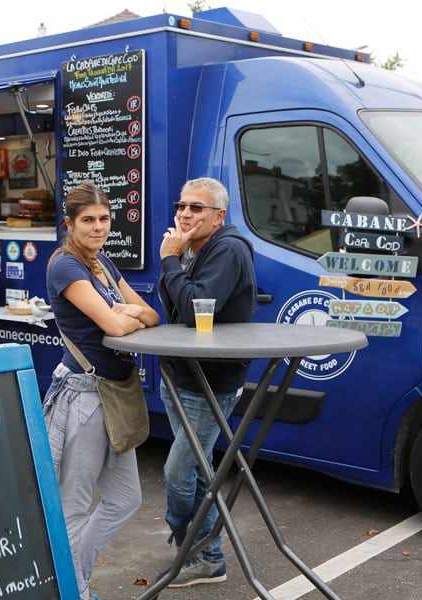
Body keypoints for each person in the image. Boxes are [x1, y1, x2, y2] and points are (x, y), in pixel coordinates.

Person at [42, 181, 160, 600]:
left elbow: (152, 315)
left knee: (125, 499)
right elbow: (112, 326)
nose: (98, 227)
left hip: (113, 395)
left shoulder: (102, 263)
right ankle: (76, 591)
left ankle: (75, 580)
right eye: (88, 220)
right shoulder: (65, 266)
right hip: (83, 396)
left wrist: (129, 311)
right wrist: (125, 314)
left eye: (104, 219)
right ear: (69, 224)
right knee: (72, 509)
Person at [157, 176, 256, 587]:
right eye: (181, 206)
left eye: (195, 208)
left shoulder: (228, 250)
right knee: (198, 471)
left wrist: (168, 260)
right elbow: (175, 305)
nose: (185, 214)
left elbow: (201, 306)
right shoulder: (194, 248)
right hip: (181, 373)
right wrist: (176, 262)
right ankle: (208, 558)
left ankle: (186, 537)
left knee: (178, 472)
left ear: (219, 216)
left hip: (209, 381)